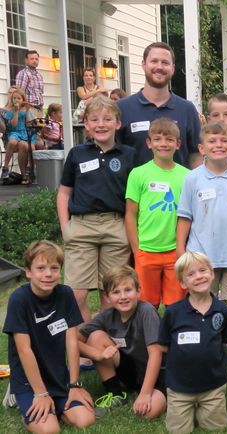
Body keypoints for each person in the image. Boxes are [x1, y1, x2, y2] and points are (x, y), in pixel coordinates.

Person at [3, 241, 95, 433]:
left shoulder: (65, 294)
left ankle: (56, 405)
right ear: (28, 272)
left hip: (57, 377)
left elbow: (72, 341)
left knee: (86, 420)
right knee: (49, 430)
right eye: (41, 268)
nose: (48, 274)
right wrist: (40, 393)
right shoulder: (19, 299)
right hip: (29, 381)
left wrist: (74, 385)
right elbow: (23, 350)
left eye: (54, 268)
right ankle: (19, 396)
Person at [56, 95, 135, 323]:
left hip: (115, 226)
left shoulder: (129, 155)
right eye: (94, 119)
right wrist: (65, 227)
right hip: (82, 226)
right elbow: (64, 193)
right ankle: (84, 347)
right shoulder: (77, 154)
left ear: (117, 123)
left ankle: (109, 347)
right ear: (87, 124)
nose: (101, 124)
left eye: (107, 119)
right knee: (75, 295)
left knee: (112, 294)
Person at [176, 122, 227, 309]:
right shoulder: (192, 178)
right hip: (201, 255)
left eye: (224, 140)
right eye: (212, 141)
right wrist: (180, 250)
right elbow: (185, 217)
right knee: (202, 304)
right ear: (202, 148)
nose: (218, 145)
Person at [77, 265, 166, 419]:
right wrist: (98, 355)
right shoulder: (107, 315)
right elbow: (73, 341)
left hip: (159, 374)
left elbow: (156, 354)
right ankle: (116, 394)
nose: (123, 296)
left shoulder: (146, 311)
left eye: (128, 290)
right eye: (116, 292)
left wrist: (145, 394)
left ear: (139, 290)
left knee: (147, 413)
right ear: (106, 297)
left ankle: (150, 392)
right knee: (96, 336)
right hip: (132, 372)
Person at [159, 251, 227, 434]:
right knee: (178, 430)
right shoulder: (173, 312)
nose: (199, 276)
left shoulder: (224, 311)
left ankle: (205, 408)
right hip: (179, 388)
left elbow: (224, 342)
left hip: (213, 387)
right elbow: (163, 345)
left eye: (202, 270)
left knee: (216, 428)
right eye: (190, 274)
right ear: (183, 283)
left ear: (212, 274)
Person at [125, 117, 190, 309]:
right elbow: (130, 214)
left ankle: (172, 338)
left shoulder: (187, 176)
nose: (163, 144)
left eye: (169, 139)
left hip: (175, 250)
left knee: (176, 304)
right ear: (149, 143)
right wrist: (136, 250)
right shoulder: (138, 174)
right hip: (146, 249)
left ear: (178, 144)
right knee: (146, 304)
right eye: (158, 139)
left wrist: (182, 248)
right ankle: (148, 339)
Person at [117, 42, 201, 168]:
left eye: (165, 63)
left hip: (178, 187)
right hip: (134, 187)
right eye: (154, 61)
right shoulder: (122, 108)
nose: (159, 67)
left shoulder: (187, 110)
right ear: (143, 65)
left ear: (172, 68)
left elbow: (196, 154)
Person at [1, 89, 32, 182]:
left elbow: (28, 123)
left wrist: (27, 111)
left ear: (23, 99)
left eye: (19, 98)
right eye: (14, 98)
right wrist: (16, 111)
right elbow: (13, 125)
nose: (16, 100)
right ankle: (6, 167)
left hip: (23, 133)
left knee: (24, 146)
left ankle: (24, 175)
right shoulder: (10, 110)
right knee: (12, 142)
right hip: (13, 132)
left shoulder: (25, 109)